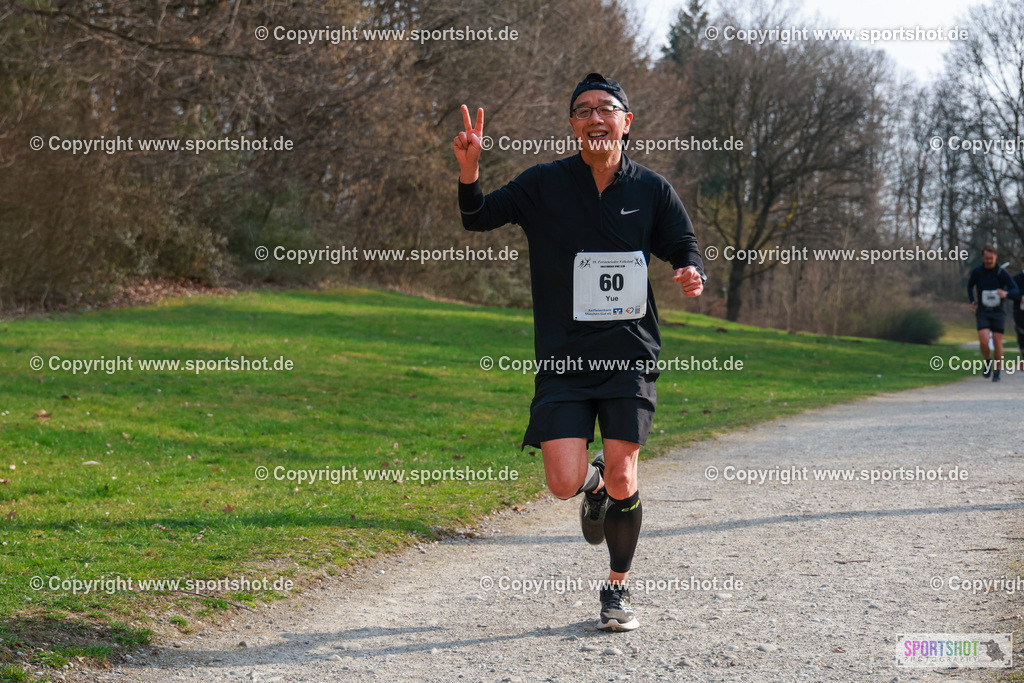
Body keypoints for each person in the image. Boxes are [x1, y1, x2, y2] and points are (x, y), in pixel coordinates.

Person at [453, 73, 705, 631]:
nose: (595, 117)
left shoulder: (651, 190)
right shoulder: (544, 184)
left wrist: (691, 270)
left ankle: (616, 589)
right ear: (572, 125)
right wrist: (470, 171)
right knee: (563, 482)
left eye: (606, 108)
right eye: (583, 110)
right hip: (564, 358)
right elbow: (477, 217)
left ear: (626, 122)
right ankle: (590, 488)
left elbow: (683, 244)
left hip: (628, 354)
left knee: (624, 477)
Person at [967, 245, 1019, 381]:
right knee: (984, 340)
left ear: (996, 257)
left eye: (991, 258)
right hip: (983, 310)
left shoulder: (1002, 273)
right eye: (986, 258)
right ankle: (988, 360)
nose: (989, 261)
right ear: (982, 257)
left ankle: (997, 370)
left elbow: (1016, 290)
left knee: (997, 341)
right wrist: (972, 301)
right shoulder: (977, 272)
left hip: (998, 311)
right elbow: (969, 286)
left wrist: (1005, 293)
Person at [1011, 257, 1024, 371]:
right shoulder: (1016, 279)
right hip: (1020, 313)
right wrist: (1020, 298)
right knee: (1022, 336)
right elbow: (1010, 293)